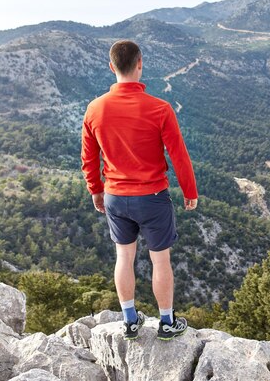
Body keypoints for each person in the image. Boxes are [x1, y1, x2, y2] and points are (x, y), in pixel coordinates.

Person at [81, 39, 198, 341]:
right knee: (160, 260)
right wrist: (189, 191)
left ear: (111, 67)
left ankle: (130, 321)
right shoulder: (159, 109)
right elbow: (179, 155)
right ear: (140, 64)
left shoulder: (95, 109)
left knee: (124, 257)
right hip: (153, 197)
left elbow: (89, 158)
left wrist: (96, 190)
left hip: (115, 197)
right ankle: (167, 323)